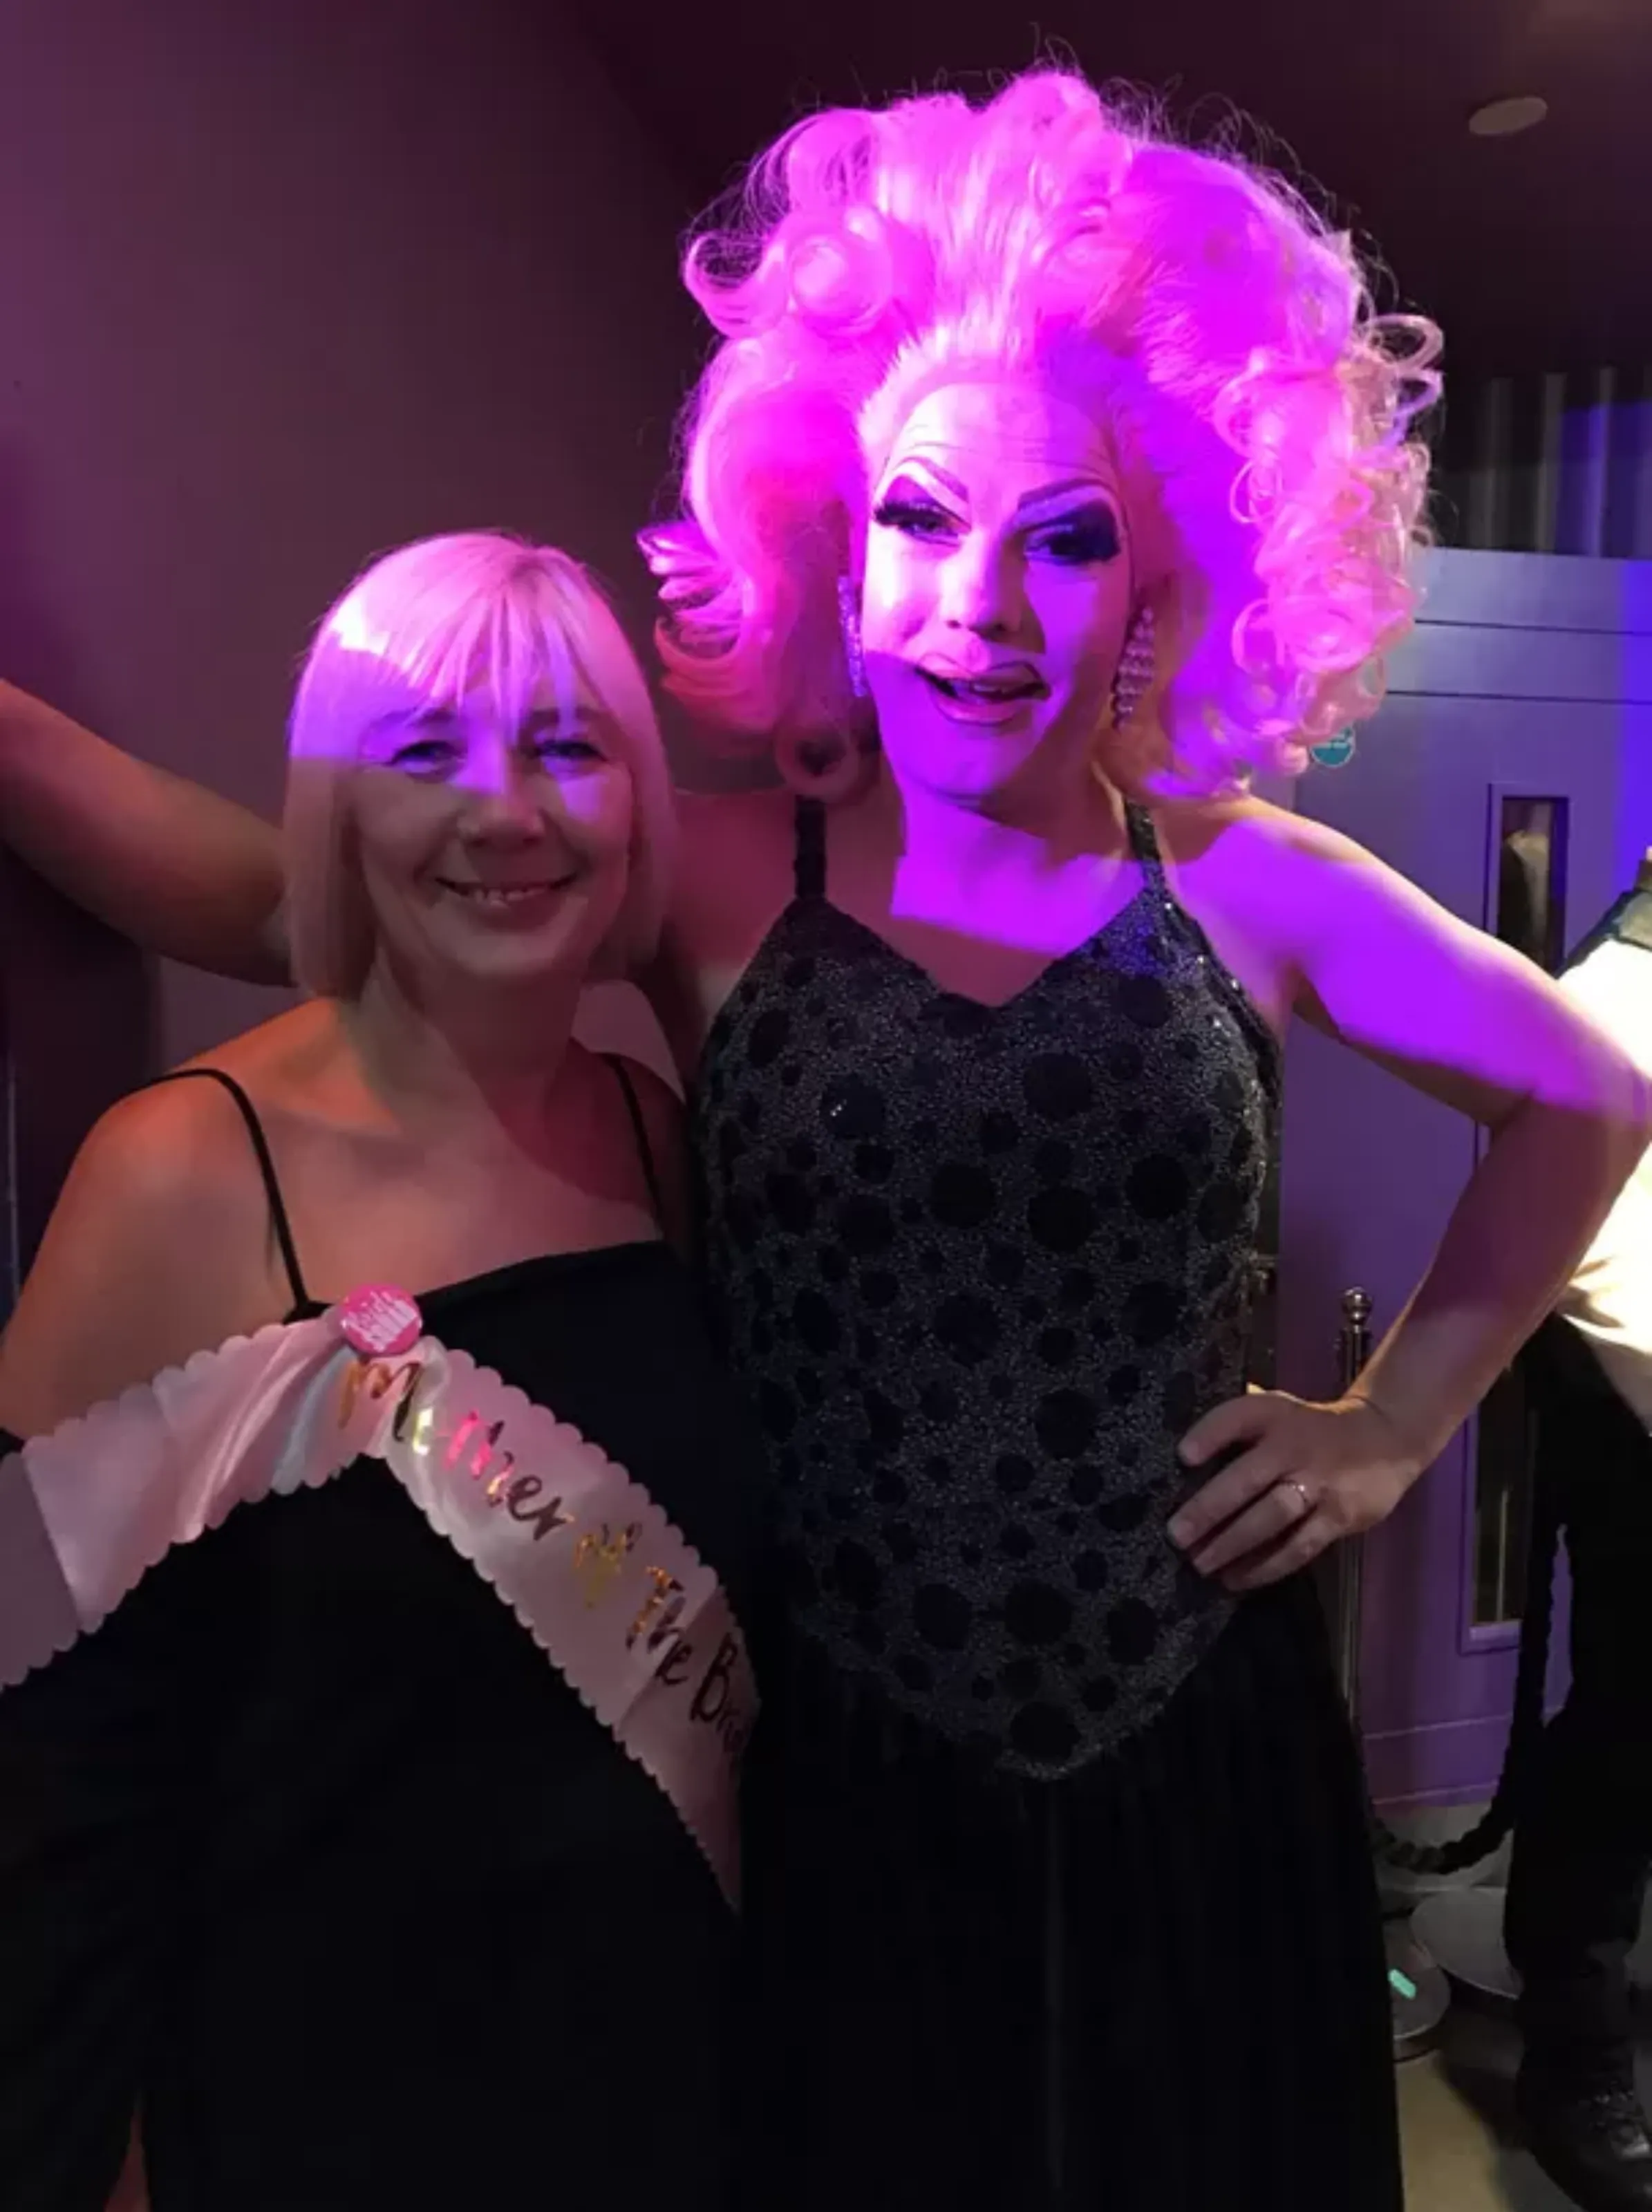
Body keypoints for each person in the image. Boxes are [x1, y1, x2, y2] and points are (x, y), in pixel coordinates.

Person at [1, 69, 1649, 2212]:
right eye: (917, 520)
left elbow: (1588, 1092)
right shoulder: (702, 878)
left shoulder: (1248, 885)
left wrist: (1391, 1425)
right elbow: (299, 897)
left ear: (1160, 578)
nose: (981, 604)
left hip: (1193, 1759)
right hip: (828, 1781)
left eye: (1068, 538)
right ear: (823, 543)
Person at [0, 531, 760, 2211]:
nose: (506, 813)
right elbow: (33, 1731)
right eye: (425, 753)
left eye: (567, 747)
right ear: (335, 810)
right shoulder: (184, 1174)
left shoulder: (660, 1140)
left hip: (655, 2078)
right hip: (312, 2106)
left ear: (638, 806)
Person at [1505, 856, 1652, 2212]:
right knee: (1627, 1729)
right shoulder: (1606, 1004)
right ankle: (1574, 2053)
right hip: (1635, 1419)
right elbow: (1594, 1263)